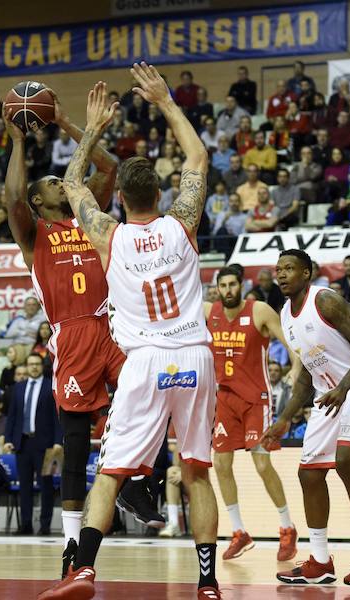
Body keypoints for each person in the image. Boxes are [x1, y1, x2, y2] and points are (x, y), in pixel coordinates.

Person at [39, 64, 221, 600]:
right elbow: (198, 157)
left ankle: (84, 570)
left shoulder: (107, 236)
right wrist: (165, 101)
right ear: (161, 195)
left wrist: (90, 127)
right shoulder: (182, 223)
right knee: (195, 473)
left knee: (112, 472)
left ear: (119, 198)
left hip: (144, 362)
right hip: (195, 354)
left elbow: (73, 183)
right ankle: (207, 584)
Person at [5, 85, 161, 564]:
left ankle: (134, 483)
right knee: (74, 444)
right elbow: (12, 197)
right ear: (39, 199)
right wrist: (17, 141)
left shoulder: (85, 215)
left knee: (151, 399)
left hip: (113, 328)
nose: (62, 183)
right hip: (71, 334)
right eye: (54, 182)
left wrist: (69, 123)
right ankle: (72, 542)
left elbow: (110, 167)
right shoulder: (35, 234)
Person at [264, 249, 350, 588]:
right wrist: (284, 419)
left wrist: (345, 387)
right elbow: (306, 375)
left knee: (345, 462)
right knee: (308, 474)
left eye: (289, 268)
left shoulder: (326, 301)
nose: (282, 274)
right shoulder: (286, 316)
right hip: (327, 395)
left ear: (307, 273)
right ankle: (320, 561)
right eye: (278, 269)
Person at [205, 265, 299, 562]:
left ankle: (287, 527)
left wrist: (295, 368)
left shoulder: (258, 310)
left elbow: (291, 344)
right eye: (224, 285)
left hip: (256, 399)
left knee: (261, 465)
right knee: (220, 464)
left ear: (241, 286)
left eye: (234, 284)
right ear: (217, 288)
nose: (229, 290)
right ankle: (239, 532)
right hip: (224, 400)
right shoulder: (209, 312)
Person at [3, 352, 61, 536]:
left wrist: (58, 442)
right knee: (25, 486)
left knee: (46, 485)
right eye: (30, 364)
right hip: (23, 443)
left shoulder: (50, 386)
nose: (34, 367)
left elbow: (57, 417)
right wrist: (8, 439)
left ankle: (45, 525)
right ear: (26, 366)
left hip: (46, 444)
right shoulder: (18, 388)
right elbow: (12, 416)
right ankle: (26, 524)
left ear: (42, 366)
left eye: (37, 363)